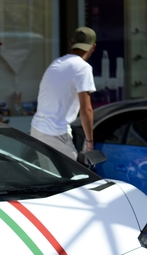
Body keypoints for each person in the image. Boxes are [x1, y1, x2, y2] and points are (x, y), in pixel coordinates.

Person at [30, 27, 97, 161]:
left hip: (37, 129)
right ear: (93, 47)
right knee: (76, 177)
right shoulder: (83, 68)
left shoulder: (56, 63)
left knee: (49, 178)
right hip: (55, 133)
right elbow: (86, 109)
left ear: (71, 43)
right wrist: (89, 141)